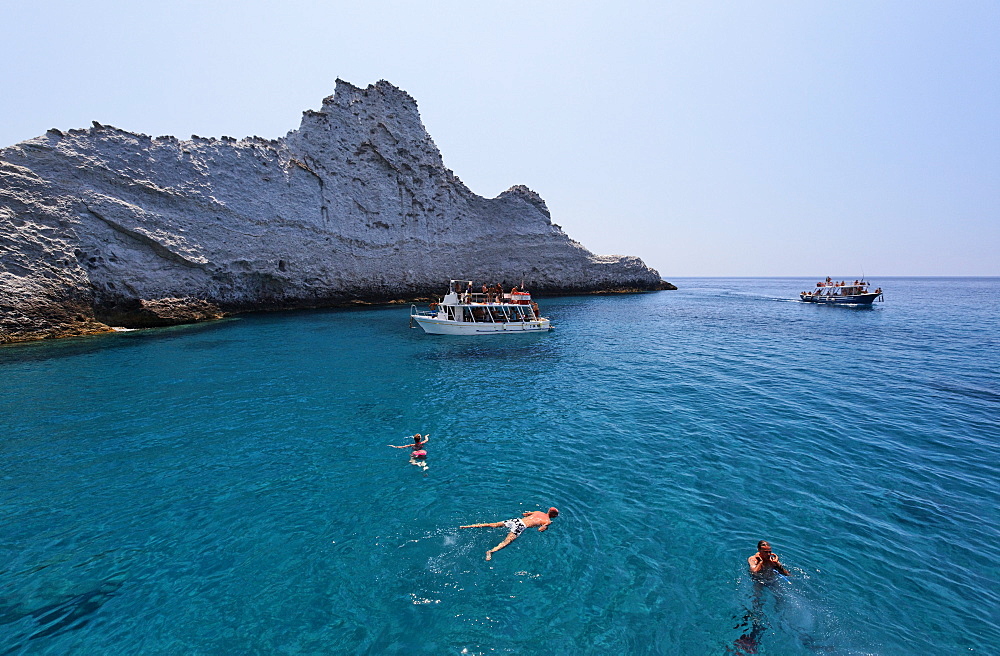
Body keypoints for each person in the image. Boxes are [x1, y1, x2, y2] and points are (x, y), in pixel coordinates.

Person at [461, 507, 558, 560]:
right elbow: (540, 530)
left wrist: (528, 514)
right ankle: (490, 551)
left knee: (493, 525)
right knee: (506, 542)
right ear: (553, 515)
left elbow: (524, 514)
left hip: (516, 521)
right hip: (521, 526)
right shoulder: (548, 521)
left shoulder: (538, 512)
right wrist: (546, 527)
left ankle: (467, 526)